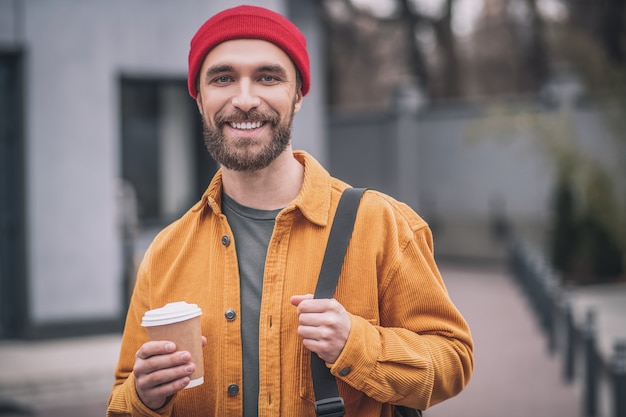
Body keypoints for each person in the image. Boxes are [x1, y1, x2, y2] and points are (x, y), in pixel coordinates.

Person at [106, 5, 473, 417]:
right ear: (199, 98)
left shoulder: (382, 224)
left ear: (297, 96)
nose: (245, 100)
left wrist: (358, 344)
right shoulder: (165, 252)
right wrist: (144, 398)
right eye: (223, 78)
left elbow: (453, 361)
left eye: (268, 77)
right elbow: (121, 398)